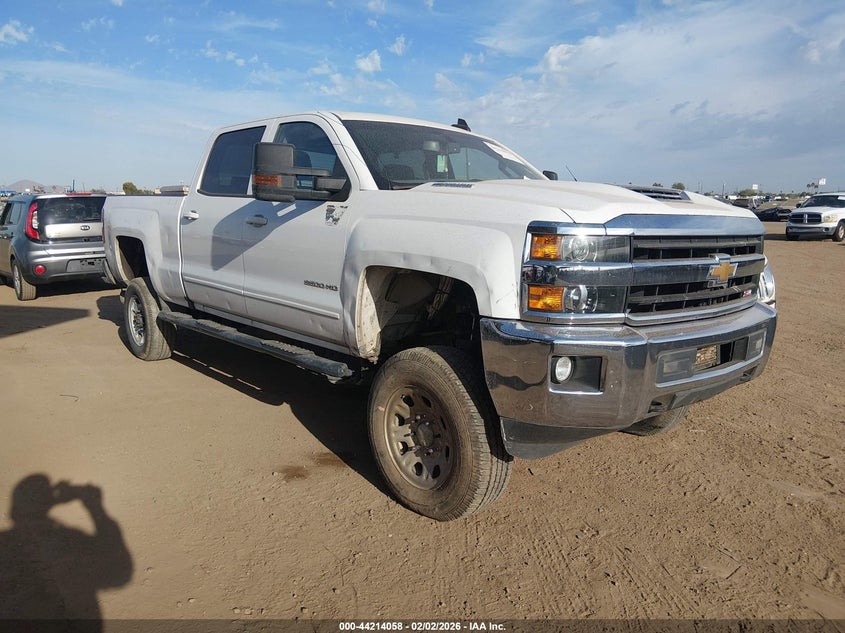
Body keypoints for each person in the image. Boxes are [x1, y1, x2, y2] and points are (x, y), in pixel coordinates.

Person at [0, 474, 133, 628]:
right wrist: (95, 507)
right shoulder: (69, 541)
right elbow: (118, 571)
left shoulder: (67, 540)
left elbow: (119, 571)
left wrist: (95, 507)